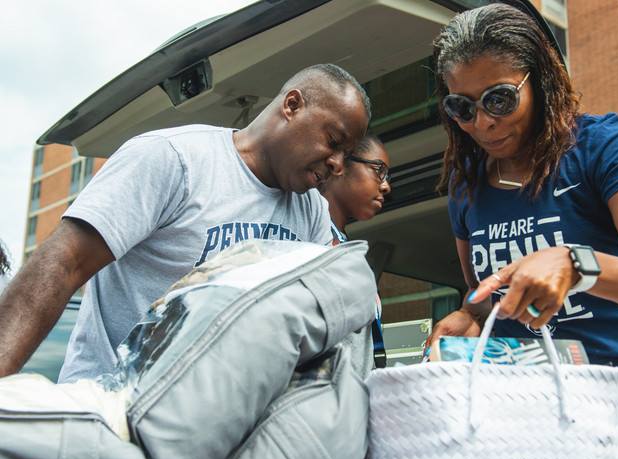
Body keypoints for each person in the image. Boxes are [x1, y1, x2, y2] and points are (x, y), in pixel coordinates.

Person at [427, 3, 618, 459]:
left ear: (538, 79)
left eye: (499, 99)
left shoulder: (602, 147)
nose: (482, 123)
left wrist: (576, 263)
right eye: (461, 107)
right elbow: (485, 295)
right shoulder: (467, 185)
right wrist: (468, 316)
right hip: (531, 407)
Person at [0, 64, 370, 383]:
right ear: (292, 105)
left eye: (347, 154)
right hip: (109, 415)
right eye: (333, 141)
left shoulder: (312, 213)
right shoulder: (174, 160)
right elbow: (66, 262)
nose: (338, 164)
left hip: (214, 427)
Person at [319, 133, 392, 367]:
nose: (386, 185)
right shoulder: (312, 245)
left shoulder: (345, 246)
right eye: (378, 170)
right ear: (340, 164)